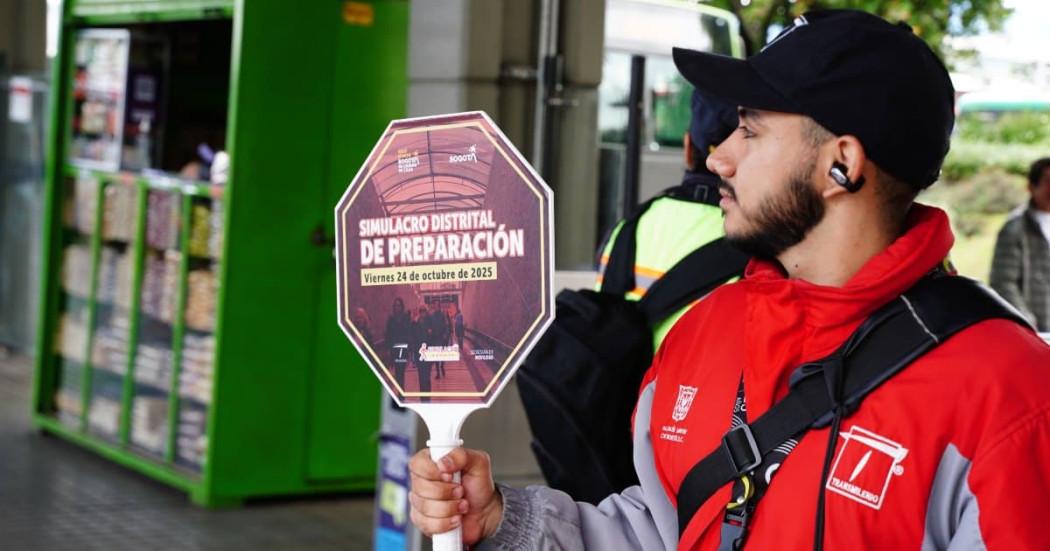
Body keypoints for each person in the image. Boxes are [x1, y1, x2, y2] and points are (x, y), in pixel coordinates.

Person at [407, 10, 1050, 550]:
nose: (718, 156)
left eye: (750, 129)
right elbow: (664, 530)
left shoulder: (1008, 391)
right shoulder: (703, 331)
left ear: (841, 166)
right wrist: (504, 522)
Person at [597, 88, 741, 345]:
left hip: (628, 383)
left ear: (687, 148)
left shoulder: (630, 225)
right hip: (698, 383)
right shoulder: (760, 236)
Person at [990, 157, 1050, 331]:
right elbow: (1003, 283)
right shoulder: (1015, 229)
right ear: (1031, 187)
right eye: (1048, 182)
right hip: (1037, 333)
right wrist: (1027, 323)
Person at [384, 297, 413, 388]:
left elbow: (409, 333)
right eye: (396, 305)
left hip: (403, 348)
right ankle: (401, 390)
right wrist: (388, 349)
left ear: (401, 306)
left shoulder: (405, 317)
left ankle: (401, 391)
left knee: (401, 370)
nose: (397, 307)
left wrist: (409, 349)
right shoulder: (391, 318)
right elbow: (388, 334)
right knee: (397, 370)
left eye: (399, 305)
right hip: (394, 348)